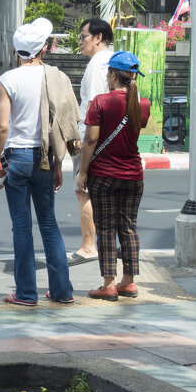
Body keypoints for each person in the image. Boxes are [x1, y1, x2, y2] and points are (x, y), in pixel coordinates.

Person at [0, 18, 78, 306]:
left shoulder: (7, 79)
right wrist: (56, 166)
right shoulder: (56, 77)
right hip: (45, 156)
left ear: (17, 50)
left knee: (21, 226)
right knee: (49, 224)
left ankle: (26, 293)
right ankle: (62, 291)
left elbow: (2, 127)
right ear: (44, 49)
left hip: (16, 157)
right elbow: (58, 125)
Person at [75, 51, 151, 301]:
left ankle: (108, 284)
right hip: (133, 175)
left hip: (104, 175)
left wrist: (83, 172)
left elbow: (90, 140)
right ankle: (128, 282)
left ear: (112, 75)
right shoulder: (144, 104)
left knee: (106, 228)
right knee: (129, 227)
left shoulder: (100, 102)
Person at [69, 17, 115, 266]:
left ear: (98, 37)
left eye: (83, 37)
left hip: (96, 139)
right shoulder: (116, 60)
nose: (80, 42)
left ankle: (88, 246)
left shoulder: (98, 64)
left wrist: (88, 145)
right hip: (113, 139)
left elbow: (96, 109)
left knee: (83, 189)